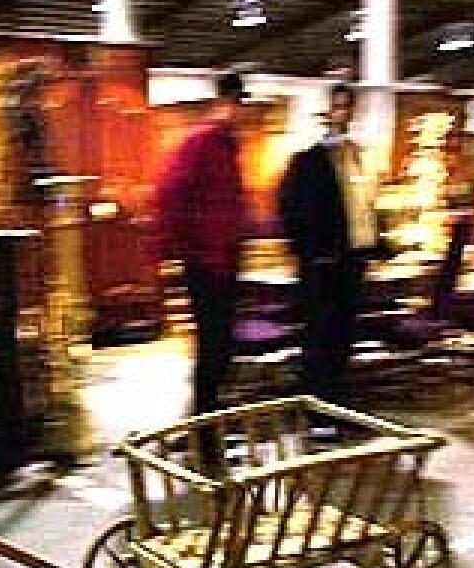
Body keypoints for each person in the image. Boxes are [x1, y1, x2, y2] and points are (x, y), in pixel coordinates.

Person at [153, 72, 255, 430]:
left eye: (242, 105)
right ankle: (203, 424)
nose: (239, 112)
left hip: (225, 262)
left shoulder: (229, 147)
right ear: (221, 104)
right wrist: (173, 252)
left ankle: (207, 416)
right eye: (235, 104)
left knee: (220, 345)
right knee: (213, 346)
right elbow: (171, 196)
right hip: (205, 263)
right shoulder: (201, 143)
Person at [277, 81, 384, 406]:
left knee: (343, 336)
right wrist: (314, 254)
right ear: (328, 112)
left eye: (348, 106)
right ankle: (317, 406)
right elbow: (291, 210)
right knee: (320, 337)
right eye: (338, 106)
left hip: (353, 262)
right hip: (323, 267)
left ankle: (337, 401)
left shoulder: (358, 158)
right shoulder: (309, 161)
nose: (343, 113)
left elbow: (364, 207)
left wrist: (376, 245)